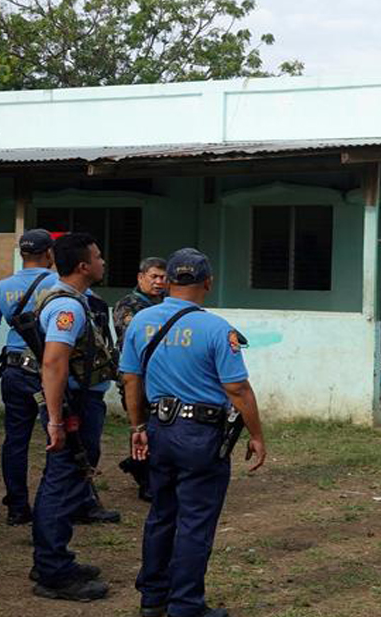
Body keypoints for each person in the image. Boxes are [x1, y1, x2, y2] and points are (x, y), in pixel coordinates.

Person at [120, 247, 266, 617]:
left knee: (161, 515)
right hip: (199, 434)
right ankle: (185, 605)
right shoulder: (216, 328)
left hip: (158, 427)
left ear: (167, 280)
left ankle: (153, 599)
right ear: (208, 282)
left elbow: (131, 379)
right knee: (195, 522)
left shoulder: (140, 321)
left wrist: (138, 426)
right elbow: (237, 388)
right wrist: (257, 435)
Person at [29, 232, 119, 602]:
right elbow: (53, 361)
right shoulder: (68, 307)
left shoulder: (73, 299)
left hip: (77, 403)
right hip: (72, 406)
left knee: (65, 477)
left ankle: (53, 559)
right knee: (63, 481)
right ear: (83, 266)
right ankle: (53, 572)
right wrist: (55, 419)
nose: (102, 262)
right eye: (98, 257)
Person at [0, 229, 57, 526]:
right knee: (57, 435)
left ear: (22, 254)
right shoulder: (61, 284)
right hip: (48, 373)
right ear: (49, 253)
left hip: (14, 370)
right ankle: (55, 503)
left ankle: (17, 506)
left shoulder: (1, 288)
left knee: (16, 440)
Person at [113, 256, 167, 502]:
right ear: (140, 277)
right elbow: (135, 342)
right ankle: (145, 480)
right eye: (154, 276)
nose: (159, 282)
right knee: (142, 427)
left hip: (162, 378)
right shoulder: (129, 305)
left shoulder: (165, 304)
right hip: (137, 378)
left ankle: (150, 473)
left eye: (163, 277)